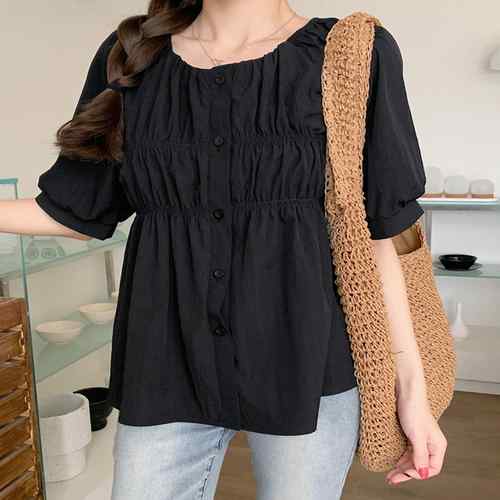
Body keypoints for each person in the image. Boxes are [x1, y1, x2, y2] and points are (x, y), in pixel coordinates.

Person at [1, 1, 448, 498]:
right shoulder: (132, 56)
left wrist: (413, 391)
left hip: (308, 362)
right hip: (167, 359)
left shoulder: (352, 53)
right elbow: (74, 210)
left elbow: (380, 236)